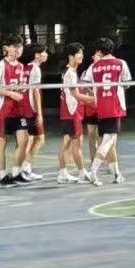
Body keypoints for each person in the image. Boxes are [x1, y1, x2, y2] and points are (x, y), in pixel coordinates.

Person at [86, 37, 132, 186]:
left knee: (110, 141)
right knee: (108, 142)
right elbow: (127, 83)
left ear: (99, 51)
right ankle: (93, 171)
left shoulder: (93, 67)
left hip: (101, 107)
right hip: (115, 107)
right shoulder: (121, 63)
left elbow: (87, 84)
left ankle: (117, 174)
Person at [57, 42, 94, 184]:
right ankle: (82, 173)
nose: (81, 56)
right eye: (79, 53)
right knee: (76, 145)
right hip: (72, 114)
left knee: (66, 145)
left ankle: (62, 173)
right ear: (70, 56)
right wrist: (95, 99)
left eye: (82, 54)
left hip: (67, 113)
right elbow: (76, 95)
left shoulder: (70, 71)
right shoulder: (70, 73)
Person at [0, 35, 27, 186]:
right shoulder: (0, 66)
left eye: (19, 46)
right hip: (3, 108)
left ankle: (15, 173)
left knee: (23, 139)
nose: (17, 49)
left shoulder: (20, 66)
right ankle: (2, 176)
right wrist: (10, 93)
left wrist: (21, 90)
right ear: (6, 48)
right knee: (2, 141)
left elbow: (19, 86)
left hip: (18, 108)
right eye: (14, 46)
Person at [18, 44, 48, 181]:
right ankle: (25, 169)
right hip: (31, 109)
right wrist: (39, 114)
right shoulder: (35, 68)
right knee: (40, 140)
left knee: (31, 140)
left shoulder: (26, 67)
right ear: (37, 55)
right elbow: (35, 92)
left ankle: (25, 169)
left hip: (24, 108)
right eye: (44, 52)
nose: (46, 54)